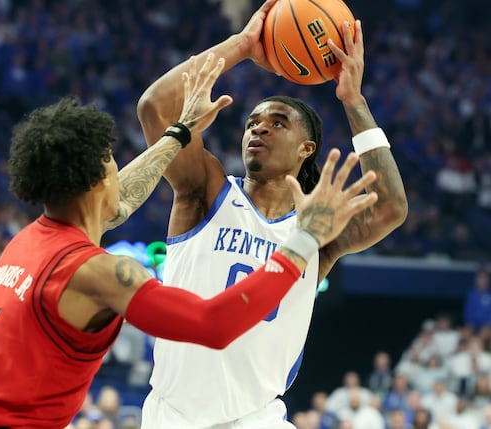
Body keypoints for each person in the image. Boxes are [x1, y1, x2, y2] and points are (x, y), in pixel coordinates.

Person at [0, 54, 377, 429]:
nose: (125, 169)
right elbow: (211, 325)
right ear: (98, 183)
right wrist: (303, 243)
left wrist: (180, 131)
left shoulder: (22, 249)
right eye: (114, 162)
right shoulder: (101, 273)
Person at [135, 1, 408, 427]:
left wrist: (354, 101)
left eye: (278, 123)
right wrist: (241, 46)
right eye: (252, 123)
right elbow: (155, 108)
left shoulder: (316, 226)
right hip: (175, 414)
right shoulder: (204, 190)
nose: (258, 128)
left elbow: (391, 207)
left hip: (258, 417)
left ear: (307, 148)